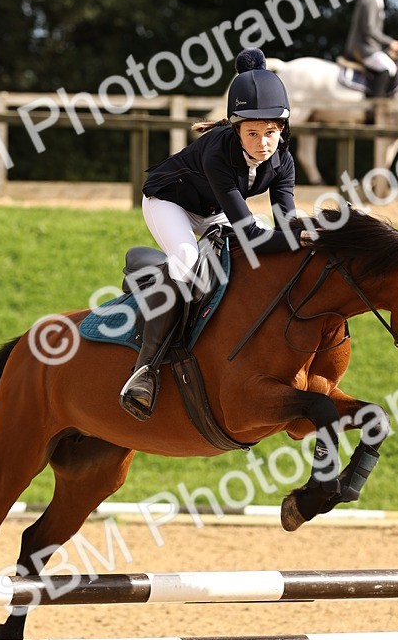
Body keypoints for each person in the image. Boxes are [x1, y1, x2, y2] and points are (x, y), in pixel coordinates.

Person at [119, 47, 313, 421]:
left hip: (213, 210)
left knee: (235, 264)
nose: (263, 143)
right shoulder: (217, 152)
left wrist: (311, 235)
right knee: (190, 262)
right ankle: (143, 372)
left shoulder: (283, 161)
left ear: (283, 129)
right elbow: (250, 233)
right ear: (235, 128)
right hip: (169, 202)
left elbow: (285, 223)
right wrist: (298, 238)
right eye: (252, 133)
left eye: (270, 132)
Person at [344, 0, 398, 98]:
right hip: (362, 48)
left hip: (368, 47)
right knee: (389, 67)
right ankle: (376, 105)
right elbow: (369, 29)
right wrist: (390, 42)